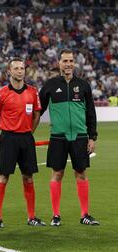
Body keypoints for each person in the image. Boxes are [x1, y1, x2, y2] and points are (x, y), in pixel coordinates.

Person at [39, 48, 99, 226]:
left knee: (81, 173)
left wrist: (92, 137)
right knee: (57, 173)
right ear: (59, 63)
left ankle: (85, 215)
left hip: (80, 137)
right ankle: (56, 215)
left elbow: (91, 113)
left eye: (71, 61)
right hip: (58, 137)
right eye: (65, 61)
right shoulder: (50, 85)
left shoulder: (83, 85)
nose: (68, 64)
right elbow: (37, 110)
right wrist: (26, 128)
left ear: (74, 63)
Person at [0, 57, 46, 228]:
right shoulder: (2, 93)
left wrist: (29, 133)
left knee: (28, 178)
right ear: (9, 71)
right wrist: (1, 138)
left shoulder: (33, 92)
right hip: (8, 138)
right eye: (16, 68)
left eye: (22, 68)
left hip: (26, 138)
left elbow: (36, 115)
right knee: (3, 177)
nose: (20, 71)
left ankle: (31, 217)